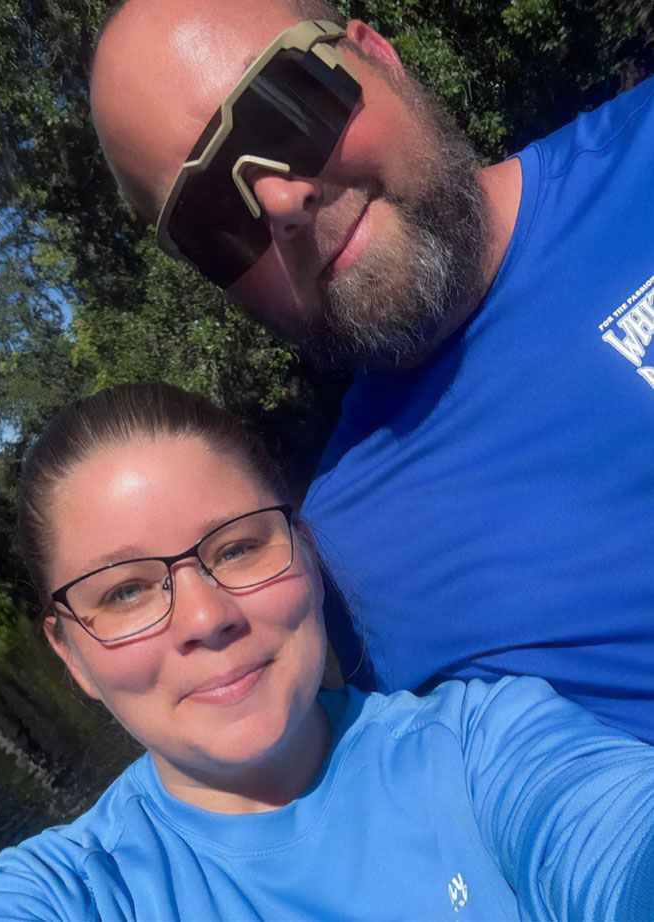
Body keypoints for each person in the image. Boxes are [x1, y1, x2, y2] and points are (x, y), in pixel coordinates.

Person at [89, 0, 654, 743]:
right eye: (212, 215)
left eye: (285, 109)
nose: (282, 201)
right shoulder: (342, 589)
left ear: (377, 55)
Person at [0, 381, 652, 922]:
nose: (205, 616)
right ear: (73, 655)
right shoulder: (80, 892)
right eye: (126, 591)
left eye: (238, 547)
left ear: (307, 556)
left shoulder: (479, 749)